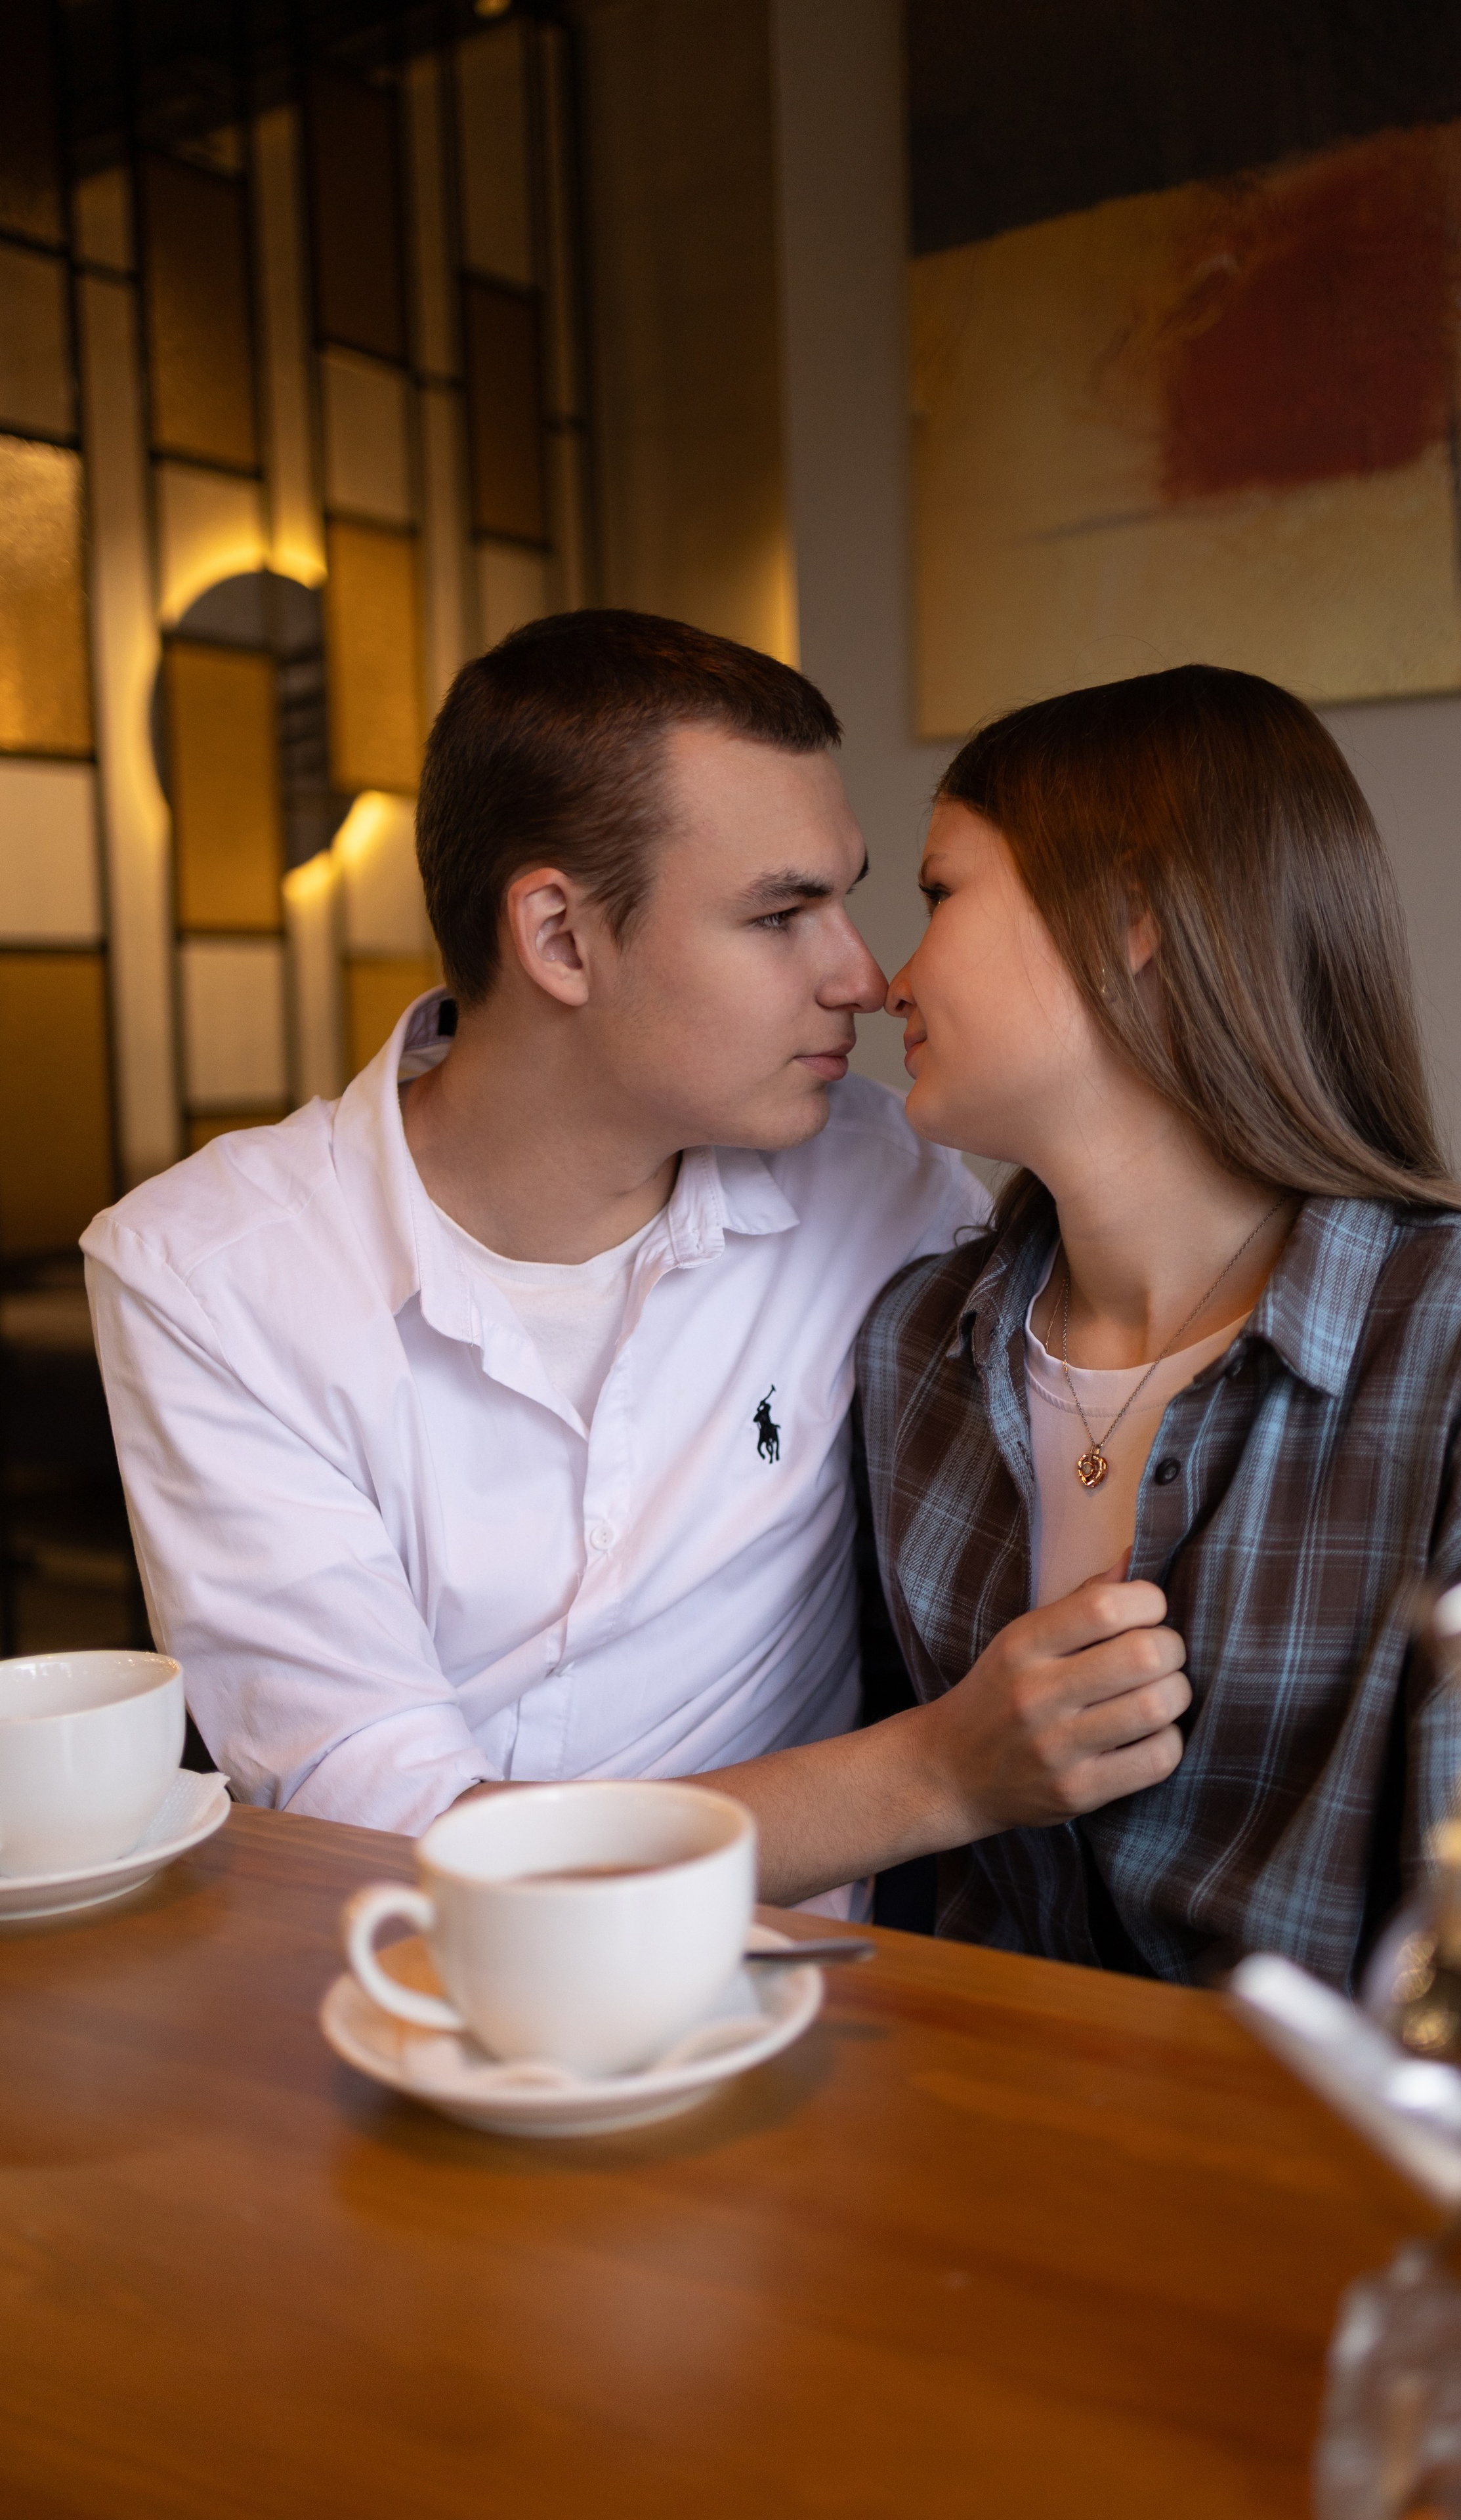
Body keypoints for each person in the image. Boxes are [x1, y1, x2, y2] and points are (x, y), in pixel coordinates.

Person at [83, 610, 1189, 1916]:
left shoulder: (875, 1181)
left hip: (814, 2019)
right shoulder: (206, 1274)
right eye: (782, 913)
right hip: (415, 2014)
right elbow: (384, 1838)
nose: (860, 975)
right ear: (558, 938)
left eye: (852, 896)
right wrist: (937, 1778)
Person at [851, 663, 1461, 1987]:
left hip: (1339, 2173)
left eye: (937, 894)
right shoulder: (912, 1347)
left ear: (1126, 912)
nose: (881, 978)